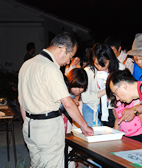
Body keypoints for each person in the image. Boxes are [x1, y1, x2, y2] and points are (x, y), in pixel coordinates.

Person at [18, 32, 94, 167]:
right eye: (70, 57)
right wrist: (84, 126)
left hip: (29, 126)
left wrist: (28, 122)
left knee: (36, 165)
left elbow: (21, 99)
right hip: (48, 128)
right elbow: (68, 104)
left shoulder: (27, 64)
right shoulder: (50, 68)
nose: (67, 62)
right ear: (63, 49)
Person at [81, 43, 125, 127]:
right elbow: (86, 98)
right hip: (91, 107)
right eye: (96, 63)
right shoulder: (88, 72)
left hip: (113, 107)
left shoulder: (120, 69)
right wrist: (108, 89)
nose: (100, 67)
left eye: (104, 63)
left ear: (110, 59)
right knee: (92, 135)